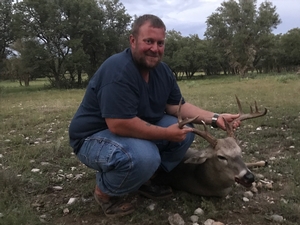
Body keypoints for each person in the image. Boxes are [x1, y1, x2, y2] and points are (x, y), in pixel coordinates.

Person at [69, 14, 240, 217]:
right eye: (148, 41)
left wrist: (214, 118)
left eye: (160, 43)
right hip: (94, 137)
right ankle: (105, 192)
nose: (155, 48)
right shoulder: (118, 70)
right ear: (133, 40)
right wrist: (165, 134)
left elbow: (178, 107)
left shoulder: (162, 71)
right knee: (144, 157)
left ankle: (147, 178)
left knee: (187, 129)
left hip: (128, 130)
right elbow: (118, 125)